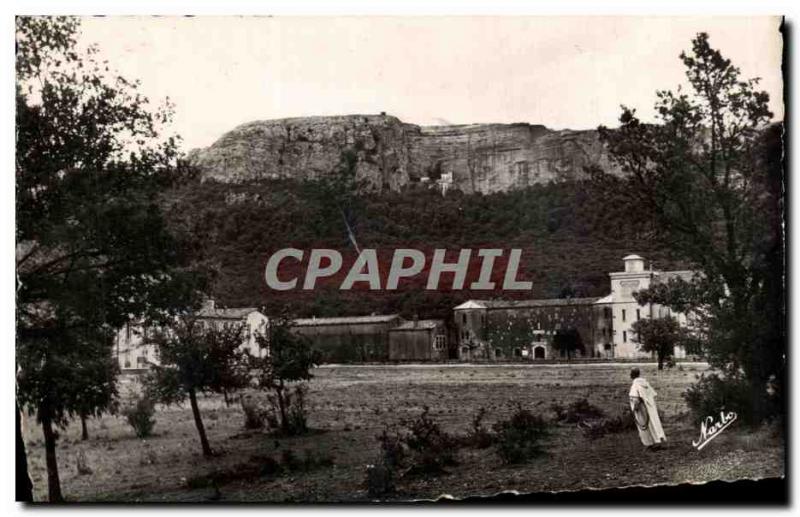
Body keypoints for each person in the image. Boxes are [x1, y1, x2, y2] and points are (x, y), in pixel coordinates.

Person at [629, 367, 666, 448]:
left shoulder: (635, 385)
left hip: (642, 408)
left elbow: (635, 399)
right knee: (654, 423)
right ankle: (657, 441)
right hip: (650, 407)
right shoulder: (645, 383)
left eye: (631, 373)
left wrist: (634, 408)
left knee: (645, 425)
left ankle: (650, 443)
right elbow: (652, 394)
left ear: (632, 375)